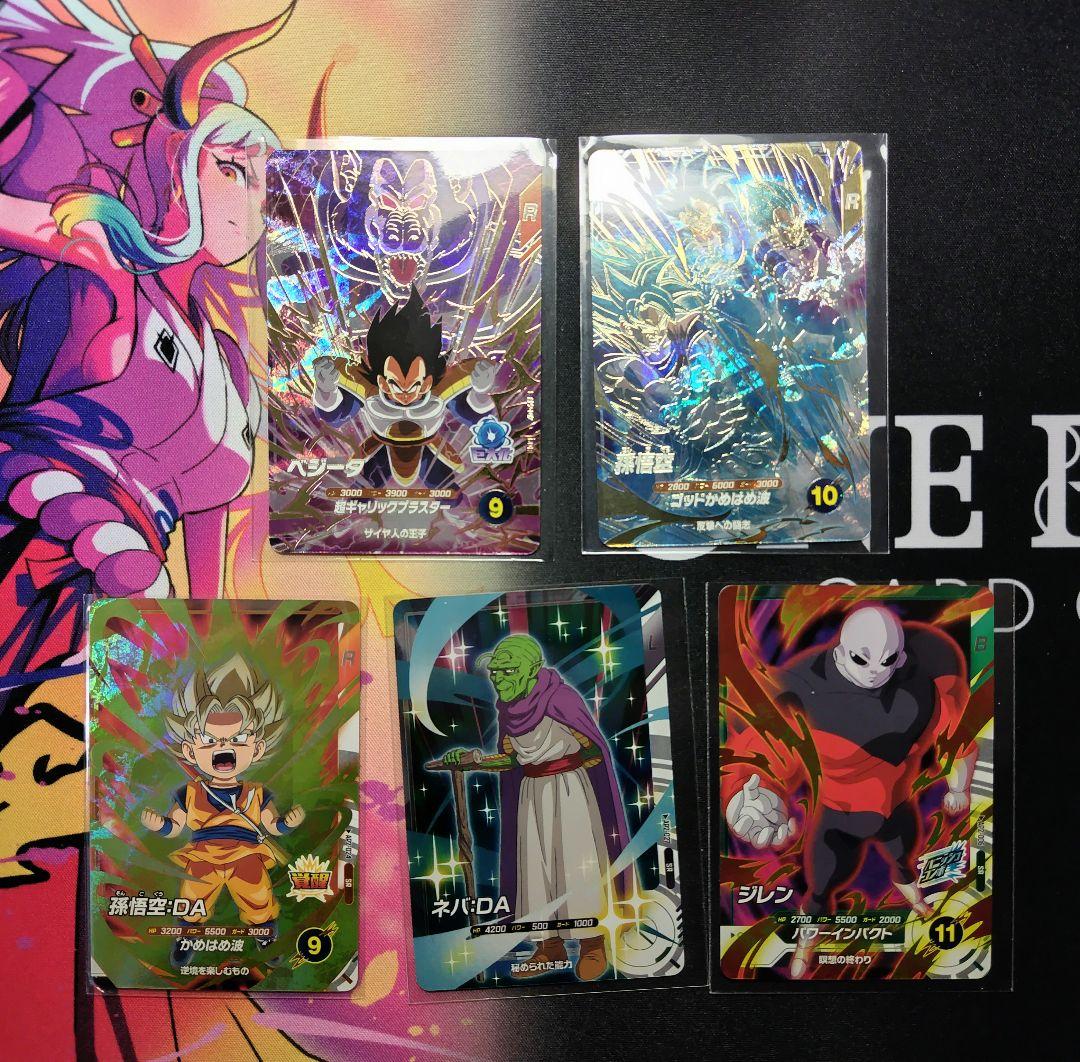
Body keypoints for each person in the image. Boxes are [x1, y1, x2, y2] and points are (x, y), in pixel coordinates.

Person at [722, 605, 976, 978]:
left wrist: (960, 786)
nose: (875, 671)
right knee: (819, 892)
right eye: (862, 659)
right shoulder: (801, 684)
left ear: (901, 657)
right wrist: (742, 791)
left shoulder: (929, 672)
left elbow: (958, 739)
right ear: (841, 652)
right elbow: (759, 744)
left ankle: (919, 904)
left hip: (895, 809)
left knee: (904, 865)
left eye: (887, 660)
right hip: (837, 819)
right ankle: (805, 945)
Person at [441, 635, 630, 981]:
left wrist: (564, 768)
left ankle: (592, 944)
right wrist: (473, 760)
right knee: (535, 870)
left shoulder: (561, 699)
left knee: (576, 867)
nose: (499, 679)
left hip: (569, 792)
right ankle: (548, 946)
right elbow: (513, 759)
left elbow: (593, 749)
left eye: (508, 671)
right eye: (496, 672)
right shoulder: (508, 709)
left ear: (533, 670)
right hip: (531, 796)